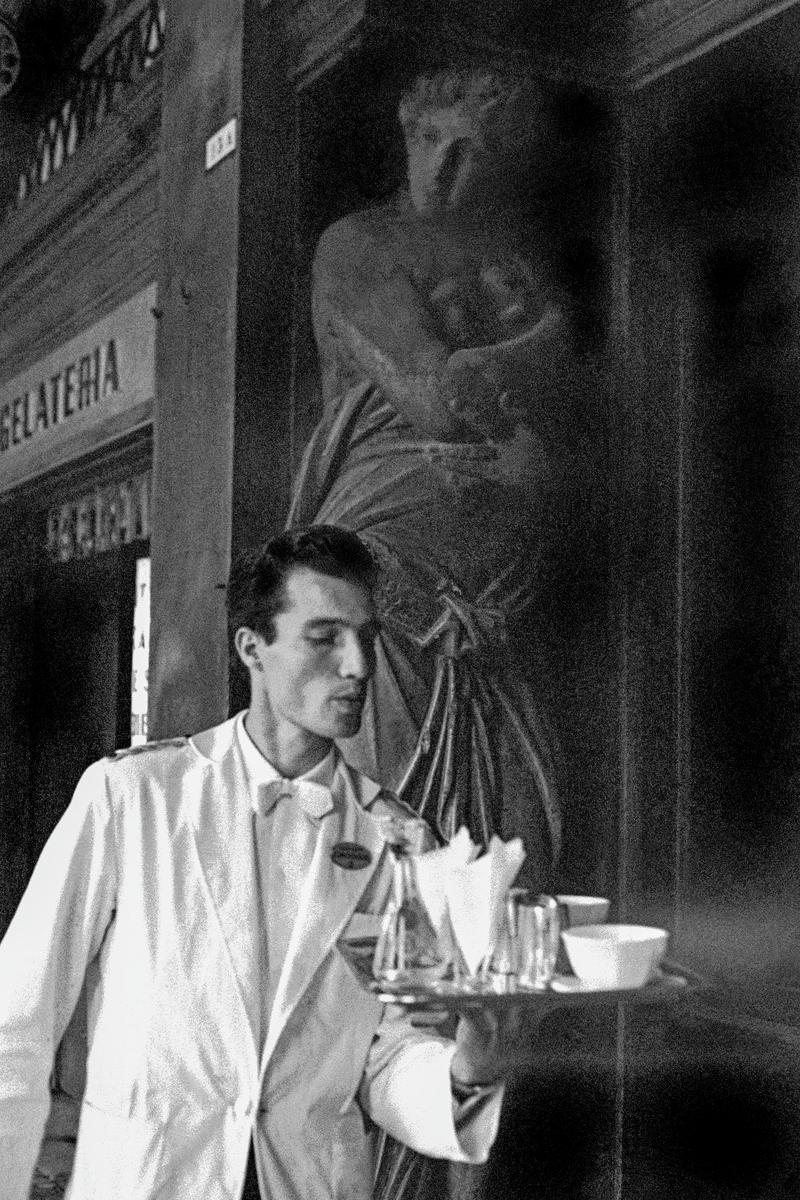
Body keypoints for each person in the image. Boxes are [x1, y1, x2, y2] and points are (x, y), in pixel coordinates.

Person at [0, 524, 526, 1200]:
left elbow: (387, 1056)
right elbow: (18, 1018)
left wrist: (473, 1063)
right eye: (324, 637)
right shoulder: (132, 798)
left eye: (366, 639)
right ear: (252, 647)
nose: (359, 668)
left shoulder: (400, 841)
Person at [289, 57, 580, 888]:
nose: (445, 168)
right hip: (388, 588)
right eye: (430, 141)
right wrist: (541, 341)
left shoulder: (505, 262)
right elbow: (435, 398)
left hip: (500, 612)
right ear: (407, 135)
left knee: (519, 845)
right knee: (382, 845)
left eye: (473, 152)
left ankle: (483, 1014)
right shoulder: (359, 244)